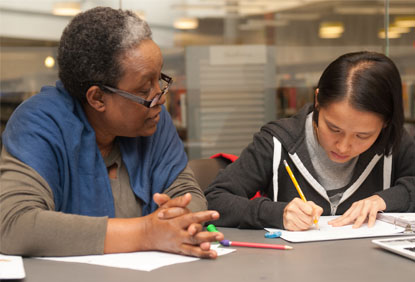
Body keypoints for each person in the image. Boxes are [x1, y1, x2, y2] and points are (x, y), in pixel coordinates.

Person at [0, 7, 223, 258]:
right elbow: (13, 225)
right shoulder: (39, 124)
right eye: (143, 89)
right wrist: (147, 233)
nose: (159, 97)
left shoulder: (153, 121)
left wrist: (178, 220)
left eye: (159, 79)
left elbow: (187, 192)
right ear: (97, 98)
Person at [205, 51, 415, 231]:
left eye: (362, 136)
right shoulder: (277, 143)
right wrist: (277, 213)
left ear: (385, 123)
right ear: (317, 101)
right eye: (334, 129)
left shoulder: (394, 143)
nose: (343, 146)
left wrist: (386, 200)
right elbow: (215, 200)